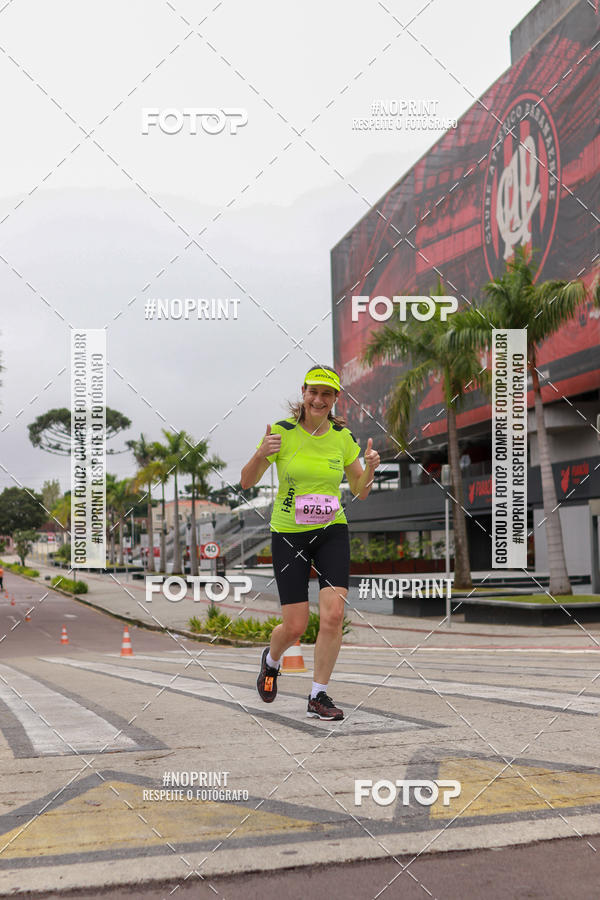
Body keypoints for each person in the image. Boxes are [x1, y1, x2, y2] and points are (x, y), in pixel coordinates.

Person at [240, 365, 380, 721]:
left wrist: (371, 469)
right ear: (303, 392)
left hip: (331, 530)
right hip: (289, 534)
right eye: (313, 392)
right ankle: (271, 662)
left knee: (333, 615)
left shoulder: (342, 438)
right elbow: (246, 483)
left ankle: (318, 695)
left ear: (335, 399)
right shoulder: (281, 433)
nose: (319, 399)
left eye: (327, 394)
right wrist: (260, 454)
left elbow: (362, 493)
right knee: (296, 625)